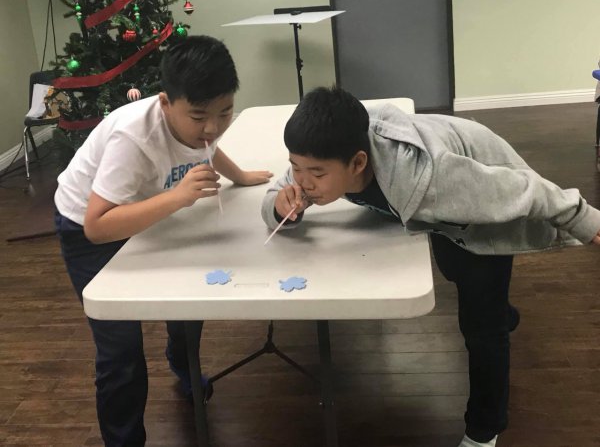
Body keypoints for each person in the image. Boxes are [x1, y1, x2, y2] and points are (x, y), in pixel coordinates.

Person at [261, 86, 600, 447]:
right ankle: (502, 313)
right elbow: (276, 196)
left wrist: (584, 219)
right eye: (296, 167)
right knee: (453, 268)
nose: (303, 181)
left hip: (483, 206)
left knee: (481, 328)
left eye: (315, 173)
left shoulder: (430, 179)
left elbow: (523, 189)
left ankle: (484, 430)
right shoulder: (322, 154)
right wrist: (280, 208)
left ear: (358, 163)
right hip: (446, 214)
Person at [54, 35, 273, 446]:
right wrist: (177, 197)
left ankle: (183, 366)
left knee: (187, 300)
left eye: (225, 112)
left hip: (146, 211)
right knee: (120, 352)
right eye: (199, 115)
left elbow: (206, 147)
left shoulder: (201, 125)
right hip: (86, 225)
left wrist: (240, 176)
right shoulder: (133, 138)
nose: (213, 127)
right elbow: (96, 226)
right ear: (165, 103)